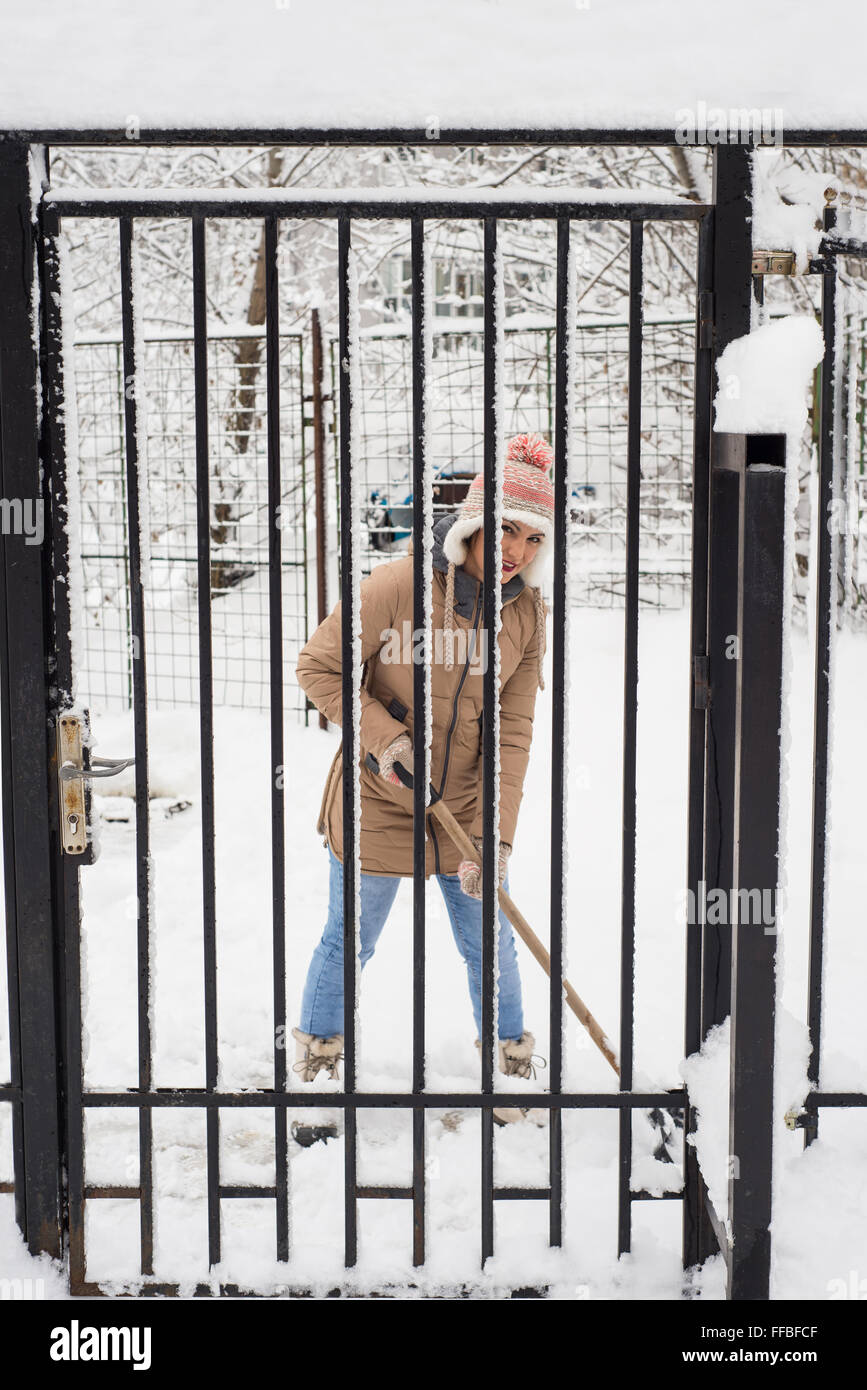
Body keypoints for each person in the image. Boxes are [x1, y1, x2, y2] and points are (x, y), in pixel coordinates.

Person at [291, 434, 554, 1141]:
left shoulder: (525, 615)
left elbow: (514, 730)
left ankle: (505, 1063)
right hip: (379, 796)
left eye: (533, 536)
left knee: (487, 942)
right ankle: (318, 1058)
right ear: (473, 521)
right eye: (505, 527)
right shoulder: (396, 586)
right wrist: (385, 736)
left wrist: (496, 835)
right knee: (349, 941)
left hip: (463, 808)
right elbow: (318, 668)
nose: (517, 551)